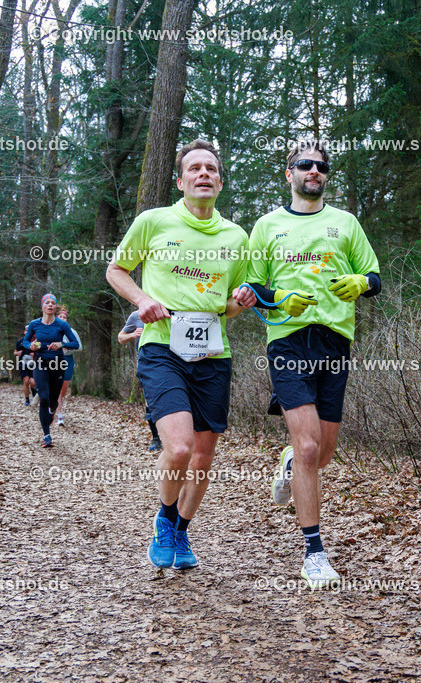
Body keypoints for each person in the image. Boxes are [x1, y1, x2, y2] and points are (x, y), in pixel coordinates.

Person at [106, 138, 256, 570]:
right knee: (178, 449)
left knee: (204, 456)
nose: (203, 173)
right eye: (195, 169)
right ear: (180, 181)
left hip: (213, 352)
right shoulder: (153, 223)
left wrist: (241, 303)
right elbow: (116, 270)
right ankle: (165, 519)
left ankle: (183, 532)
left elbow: (231, 300)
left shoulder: (235, 236)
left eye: (211, 168)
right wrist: (141, 301)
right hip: (161, 347)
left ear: (221, 183)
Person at [246, 139, 381, 589]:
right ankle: (314, 553)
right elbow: (252, 290)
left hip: (335, 341)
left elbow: (375, 276)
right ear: (289, 174)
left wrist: (362, 282)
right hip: (287, 341)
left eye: (321, 166)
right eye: (305, 165)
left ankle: (289, 464)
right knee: (308, 448)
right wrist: (280, 298)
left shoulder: (345, 223)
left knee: (320, 454)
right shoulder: (267, 226)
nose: (314, 171)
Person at [21, 294, 80, 447]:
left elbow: (75, 343)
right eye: (47, 303)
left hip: (58, 365)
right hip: (41, 363)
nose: (50, 305)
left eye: (53, 303)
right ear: (42, 306)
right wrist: (31, 346)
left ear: (55, 307)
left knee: (53, 400)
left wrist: (61, 344)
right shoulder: (34, 324)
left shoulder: (61, 324)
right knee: (44, 397)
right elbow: (25, 342)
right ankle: (47, 436)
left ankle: (53, 410)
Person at [118, 309, 162, 451]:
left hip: (170, 363)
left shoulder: (170, 310)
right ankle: (156, 438)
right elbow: (120, 337)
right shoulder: (136, 315)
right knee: (150, 401)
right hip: (145, 364)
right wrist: (133, 334)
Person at [55, 307, 82, 426]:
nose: (62, 319)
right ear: (56, 318)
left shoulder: (72, 331)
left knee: (63, 391)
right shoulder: (53, 329)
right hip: (55, 360)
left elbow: (80, 347)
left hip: (68, 360)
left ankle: (55, 405)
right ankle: (59, 415)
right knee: (57, 389)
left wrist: (67, 346)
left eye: (64, 317)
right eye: (60, 317)